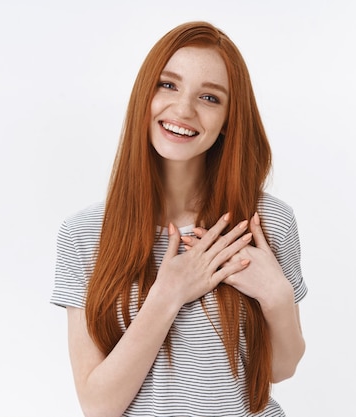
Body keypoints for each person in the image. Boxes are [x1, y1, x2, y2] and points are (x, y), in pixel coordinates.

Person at [50, 21, 307, 417]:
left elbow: (279, 369)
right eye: (168, 85)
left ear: (227, 121)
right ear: (145, 95)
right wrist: (169, 293)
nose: (183, 109)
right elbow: (98, 406)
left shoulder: (266, 222)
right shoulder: (84, 235)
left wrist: (277, 296)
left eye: (209, 97)